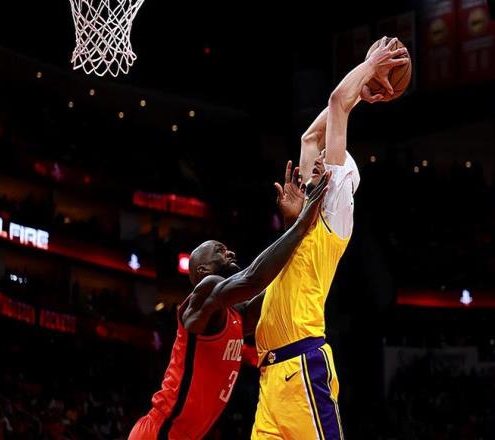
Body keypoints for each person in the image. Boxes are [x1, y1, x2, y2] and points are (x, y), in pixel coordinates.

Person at [252, 37, 409, 439]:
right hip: (270, 377)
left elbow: (337, 102)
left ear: (340, 178)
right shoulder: (305, 219)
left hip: (302, 364)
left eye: (327, 160)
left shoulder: (336, 212)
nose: (319, 159)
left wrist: (368, 67)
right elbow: (310, 137)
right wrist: (360, 94)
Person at [128, 172, 330, 440]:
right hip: (159, 431)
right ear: (202, 269)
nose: (230, 252)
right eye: (220, 251)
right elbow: (253, 279)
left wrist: (291, 224)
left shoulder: (235, 316)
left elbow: (275, 290)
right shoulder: (204, 293)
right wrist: (302, 223)